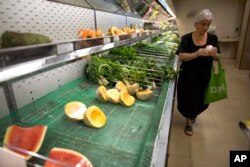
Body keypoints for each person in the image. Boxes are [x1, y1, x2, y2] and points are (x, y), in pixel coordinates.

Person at [175, 9, 220, 136]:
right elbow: (181, 56)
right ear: (196, 23)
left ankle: (193, 114)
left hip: (204, 75)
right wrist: (196, 54)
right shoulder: (186, 38)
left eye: (208, 24)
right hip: (188, 75)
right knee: (188, 98)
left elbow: (218, 58)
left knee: (201, 98)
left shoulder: (213, 38)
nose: (206, 27)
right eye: (203, 24)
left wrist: (214, 54)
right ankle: (188, 122)